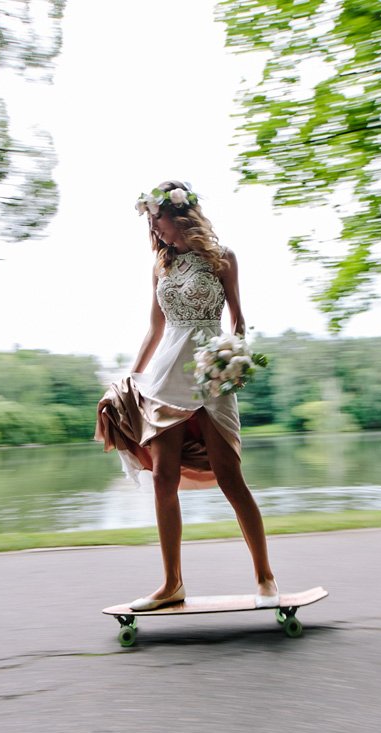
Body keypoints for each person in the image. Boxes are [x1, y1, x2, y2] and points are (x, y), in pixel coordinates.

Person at [95, 180, 279, 612]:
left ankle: (265, 578)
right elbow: (155, 330)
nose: (153, 228)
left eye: (155, 218)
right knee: (163, 480)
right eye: (149, 222)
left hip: (209, 377)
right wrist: (129, 379)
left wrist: (229, 359)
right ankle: (171, 583)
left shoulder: (222, 258)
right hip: (164, 379)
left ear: (177, 215)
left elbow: (238, 320)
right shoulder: (161, 266)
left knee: (232, 479)